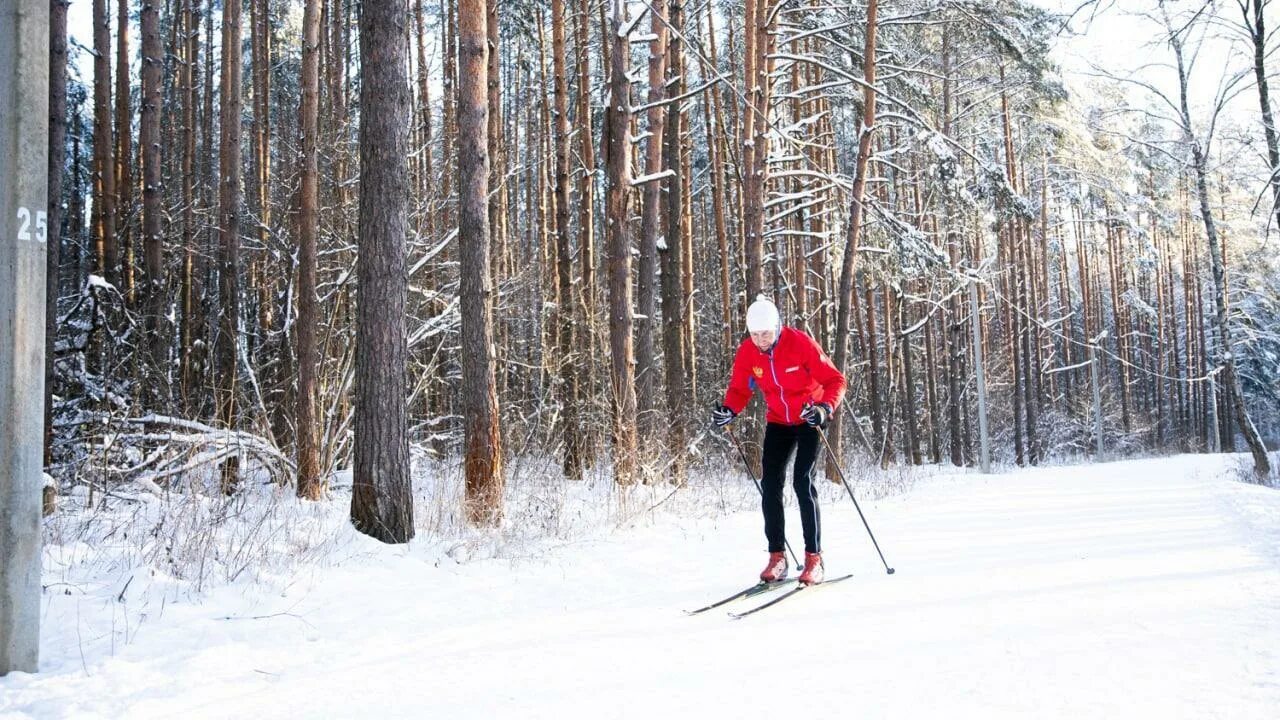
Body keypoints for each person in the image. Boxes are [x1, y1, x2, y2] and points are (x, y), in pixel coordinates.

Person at [712, 297, 847, 585]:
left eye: (766, 333)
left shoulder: (799, 344)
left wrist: (824, 409)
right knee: (770, 483)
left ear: (777, 327)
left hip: (809, 417)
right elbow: (740, 389)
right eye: (755, 334)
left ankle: (814, 558)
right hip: (778, 421)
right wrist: (729, 409)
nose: (761, 340)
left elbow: (836, 380)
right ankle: (777, 557)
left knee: (802, 481)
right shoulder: (748, 352)